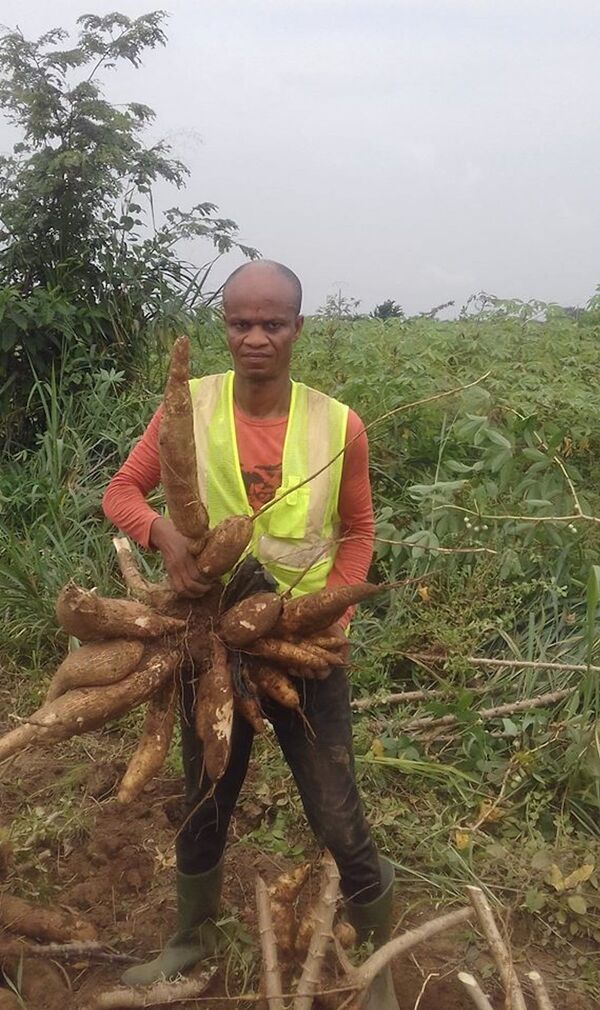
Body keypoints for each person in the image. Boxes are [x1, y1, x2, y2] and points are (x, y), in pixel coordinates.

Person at [102, 260, 399, 1009]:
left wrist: (332, 614)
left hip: (303, 645)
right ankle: (190, 937)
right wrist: (164, 538)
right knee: (205, 794)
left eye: (273, 323)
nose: (256, 337)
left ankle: (382, 965)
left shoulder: (338, 424)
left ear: (299, 328)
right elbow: (121, 492)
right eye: (241, 323)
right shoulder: (188, 407)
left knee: (335, 807)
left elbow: (358, 532)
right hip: (210, 647)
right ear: (224, 328)